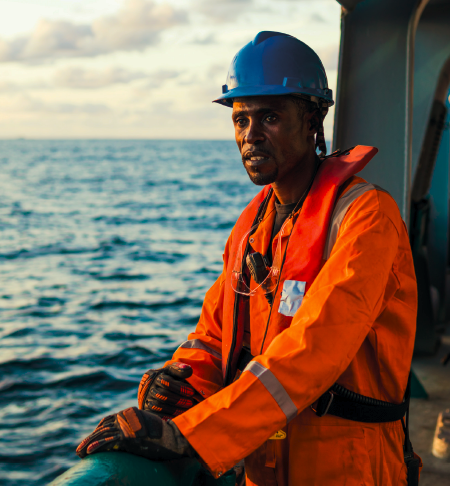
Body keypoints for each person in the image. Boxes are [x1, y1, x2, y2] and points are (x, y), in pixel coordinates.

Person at [76, 31, 422, 486]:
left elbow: (317, 348)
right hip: (265, 463)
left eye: (270, 117)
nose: (250, 136)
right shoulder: (252, 226)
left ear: (314, 120)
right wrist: (176, 385)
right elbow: (214, 337)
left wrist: (193, 437)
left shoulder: (366, 216)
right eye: (240, 120)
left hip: (349, 467)